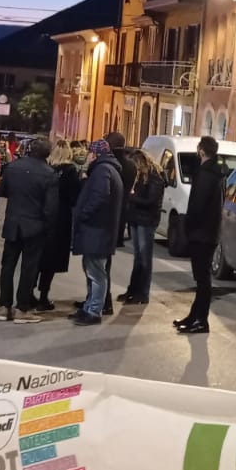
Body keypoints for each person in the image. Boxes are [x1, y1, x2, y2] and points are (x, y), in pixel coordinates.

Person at [0, 137, 59, 322]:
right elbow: (51, 208)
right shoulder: (49, 173)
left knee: (7, 265)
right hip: (35, 226)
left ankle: (4, 306)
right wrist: (49, 229)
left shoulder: (13, 167)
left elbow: (1, 190)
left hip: (13, 222)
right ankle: (22, 308)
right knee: (29, 268)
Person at [175, 135, 228, 336]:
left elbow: (197, 205)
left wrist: (188, 226)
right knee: (201, 279)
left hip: (202, 234)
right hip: (209, 232)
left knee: (202, 279)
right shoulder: (216, 173)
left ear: (201, 150)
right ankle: (194, 316)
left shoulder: (205, 174)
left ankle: (201, 320)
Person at [70, 139, 125, 326]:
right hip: (99, 231)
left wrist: (83, 214)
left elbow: (100, 196)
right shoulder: (109, 169)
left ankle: (94, 311)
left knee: (96, 273)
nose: (87, 156)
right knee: (93, 271)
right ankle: (89, 308)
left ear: (95, 154)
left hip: (97, 231)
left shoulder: (102, 170)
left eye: (89, 153)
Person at [39, 140, 83, 312]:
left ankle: (29, 293)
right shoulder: (71, 171)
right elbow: (75, 197)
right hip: (61, 218)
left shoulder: (46, 169)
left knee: (39, 256)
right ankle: (43, 296)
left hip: (43, 215)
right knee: (52, 259)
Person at [120, 150, 165, 305]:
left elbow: (151, 200)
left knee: (144, 258)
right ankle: (132, 290)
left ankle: (143, 293)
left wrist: (132, 198)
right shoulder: (140, 177)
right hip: (136, 218)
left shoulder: (154, 177)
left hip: (146, 221)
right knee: (138, 257)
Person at [106, 131, 136, 249]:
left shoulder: (108, 162)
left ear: (110, 144)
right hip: (123, 207)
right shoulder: (131, 165)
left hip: (106, 210)